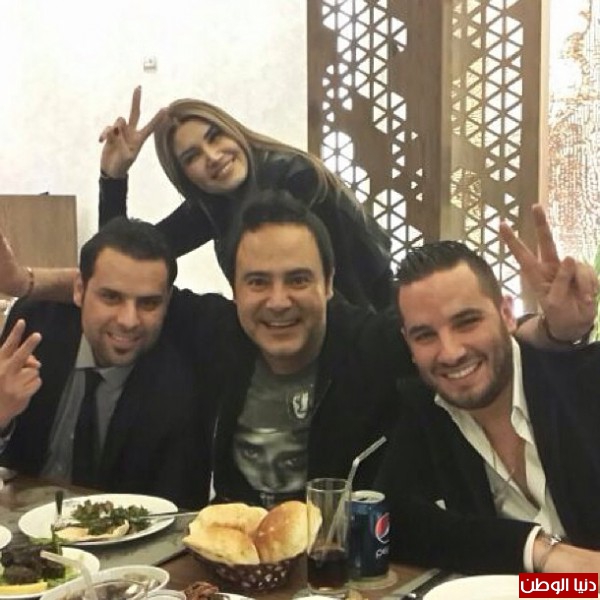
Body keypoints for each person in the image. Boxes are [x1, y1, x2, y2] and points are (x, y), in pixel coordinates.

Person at [0, 198, 593, 510]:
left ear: (330, 283)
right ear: (234, 290)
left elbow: (452, 335)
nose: (278, 301)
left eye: (299, 279)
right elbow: (124, 286)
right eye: (257, 282)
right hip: (234, 567)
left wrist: (553, 332)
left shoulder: (376, 342)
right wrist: (24, 282)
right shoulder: (215, 330)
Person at [376, 233, 600, 575]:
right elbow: (393, 522)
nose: (451, 352)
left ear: (507, 314)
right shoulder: (424, 408)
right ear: (408, 344)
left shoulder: (581, 382)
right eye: (426, 335)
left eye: (467, 322)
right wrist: (537, 549)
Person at [98, 86, 393, 310]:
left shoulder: (295, 178)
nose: (213, 157)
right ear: (185, 177)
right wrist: (114, 177)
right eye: (192, 157)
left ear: (233, 132)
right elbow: (126, 257)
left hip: (367, 329)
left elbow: (348, 296)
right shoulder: (214, 203)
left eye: (215, 137)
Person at [0, 217, 217, 509]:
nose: (128, 320)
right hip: (18, 519)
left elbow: (177, 512)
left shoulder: (182, 381)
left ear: (167, 302)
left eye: (148, 303)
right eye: (111, 297)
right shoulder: (37, 326)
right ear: (79, 290)